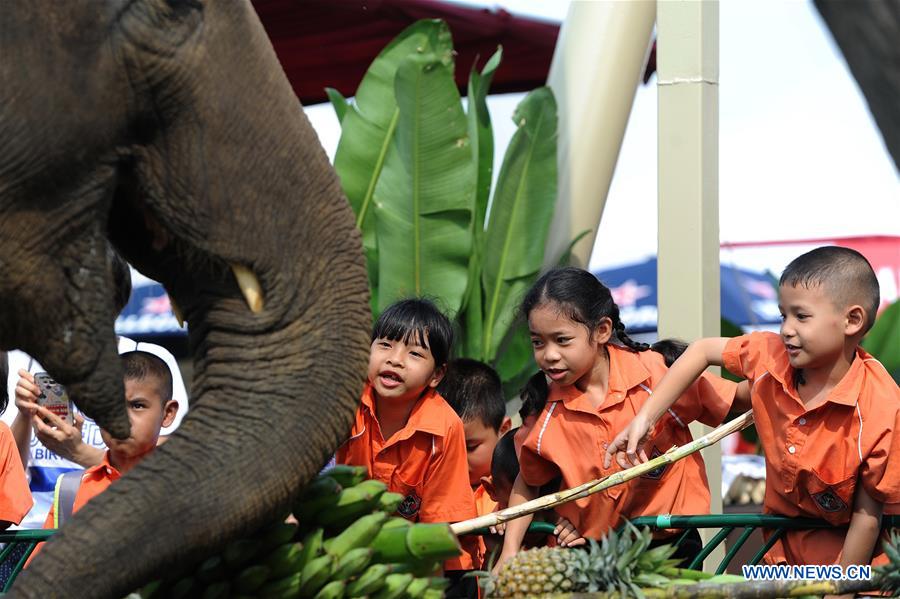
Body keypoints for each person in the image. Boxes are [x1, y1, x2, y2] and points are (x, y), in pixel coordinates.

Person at [607, 246, 900, 572]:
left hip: (855, 572)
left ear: (852, 320)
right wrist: (646, 418)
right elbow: (703, 350)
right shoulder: (769, 358)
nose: (786, 329)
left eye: (801, 316)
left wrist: (839, 591)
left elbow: (867, 519)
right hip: (779, 562)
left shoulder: (882, 409)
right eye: (783, 315)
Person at [495, 267, 748, 572]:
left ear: (602, 330)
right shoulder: (546, 412)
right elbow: (529, 481)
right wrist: (509, 552)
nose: (548, 354)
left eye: (562, 340)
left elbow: (737, 398)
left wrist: (798, 371)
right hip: (592, 556)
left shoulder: (656, 375)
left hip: (670, 547)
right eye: (538, 342)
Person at [3, 246, 189, 528]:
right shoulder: (21, 361)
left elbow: (173, 466)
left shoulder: (151, 363)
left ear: (116, 298)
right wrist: (24, 415)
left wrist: (78, 452)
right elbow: (6, 473)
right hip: (28, 536)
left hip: (116, 528)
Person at [335, 298, 480, 573]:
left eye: (415, 354)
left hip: (411, 560)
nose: (395, 359)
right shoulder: (344, 400)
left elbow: (439, 526)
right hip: (335, 543)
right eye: (385, 345)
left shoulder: (445, 427)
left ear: (436, 374)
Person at [27, 351, 177, 564]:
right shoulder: (71, 491)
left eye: (137, 406)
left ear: (168, 413)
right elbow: (39, 578)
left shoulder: (186, 486)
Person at [437, 358, 511, 517]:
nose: (458, 460)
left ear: (503, 430)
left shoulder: (517, 492)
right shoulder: (425, 491)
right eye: (445, 449)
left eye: (470, 447)